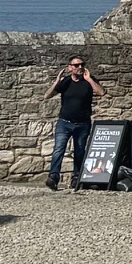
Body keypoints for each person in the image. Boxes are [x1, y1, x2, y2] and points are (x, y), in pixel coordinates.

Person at [45, 55, 104, 190]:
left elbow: (101, 93)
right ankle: (53, 177)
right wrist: (56, 81)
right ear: (70, 67)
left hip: (82, 123)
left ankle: (76, 178)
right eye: (76, 65)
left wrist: (89, 79)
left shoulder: (88, 81)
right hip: (64, 122)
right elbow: (46, 95)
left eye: (82, 64)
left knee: (79, 151)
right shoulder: (65, 82)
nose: (80, 67)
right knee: (58, 149)